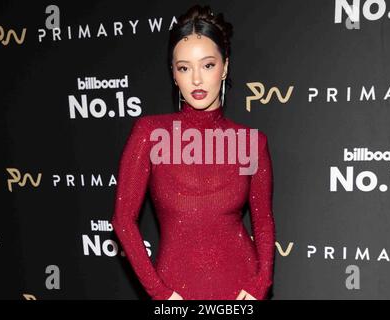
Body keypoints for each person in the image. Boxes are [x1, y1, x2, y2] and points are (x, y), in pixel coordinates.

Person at [111, 5, 275, 300]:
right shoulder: (150, 133)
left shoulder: (251, 142)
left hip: (241, 290)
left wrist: (259, 284)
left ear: (224, 67)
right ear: (173, 75)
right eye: (184, 67)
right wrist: (161, 293)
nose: (196, 79)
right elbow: (123, 220)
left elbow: (262, 222)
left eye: (208, 65)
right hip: (174, 293)